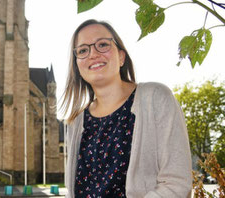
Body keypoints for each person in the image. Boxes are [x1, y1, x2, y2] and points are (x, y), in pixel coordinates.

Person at [61, 19, 192, 198]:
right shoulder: (76, 122)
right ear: (77, 65)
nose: (93, 54)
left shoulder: (155, 98)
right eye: (83, 50)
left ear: (121, 57)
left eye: (102, 44)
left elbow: (176, 184)